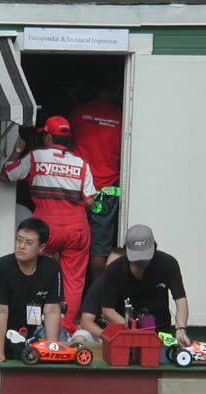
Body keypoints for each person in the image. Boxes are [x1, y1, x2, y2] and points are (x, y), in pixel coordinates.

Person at [0, 115, 96, 336]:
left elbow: (6, 174)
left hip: (45, 224)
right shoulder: (81, 163)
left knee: (33, 271)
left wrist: (17, 150)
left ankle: (31, 324)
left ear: (49, 137)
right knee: (73, 280)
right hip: (76, 226)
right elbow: (90, 200)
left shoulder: (36, 157)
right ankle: (66, 327)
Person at [0, 218, 64, 363]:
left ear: (41, 247)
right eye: (19, 240)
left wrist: (53, 351)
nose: (21, 246)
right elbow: (0, 310)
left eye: (29, 243)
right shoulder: (1, 267)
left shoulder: (51, 268)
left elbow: (51, 310)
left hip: (22, 336)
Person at [101, 224, 190, 346]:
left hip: (160, 330)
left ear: (154, 248)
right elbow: (107, 309)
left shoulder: (168, 264)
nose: (141, 261)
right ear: (126, 251)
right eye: (136, 258)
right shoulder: (114, 270)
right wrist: (132, 328)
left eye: (145, 256)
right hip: (125, 331)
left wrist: (180, 329)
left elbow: (180, 299)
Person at [70, 88, 123, 282]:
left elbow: (68, 142)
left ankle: (67, 288)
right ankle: (96, 291)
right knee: (100, 246)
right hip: (107, 190)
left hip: (78, 187)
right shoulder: (122, 117)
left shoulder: (79, 112)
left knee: (70, 241)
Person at [70, 247, 125, 344]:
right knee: (79, 337)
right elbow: (86, 321)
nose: (109, 272)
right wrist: (106, 336)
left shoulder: (133, 286)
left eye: (113, 268)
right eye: (107, 267)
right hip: (100, 334)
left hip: (127, 337)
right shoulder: (100, 282)